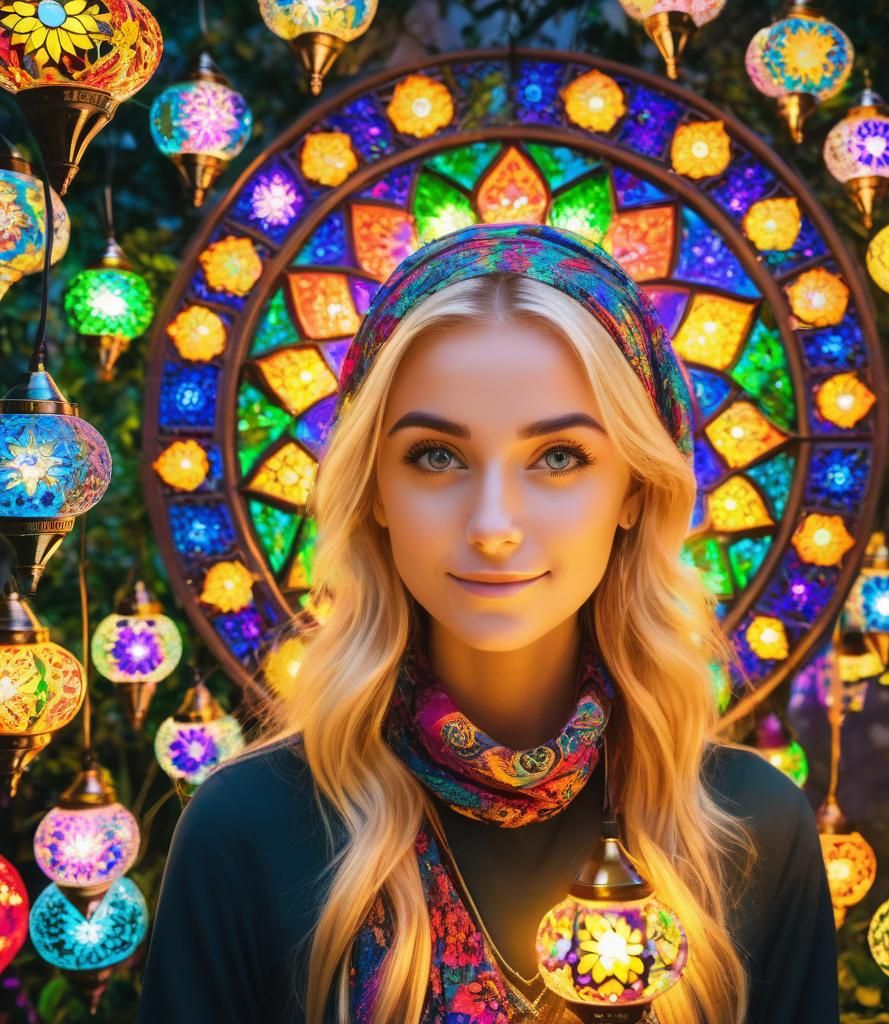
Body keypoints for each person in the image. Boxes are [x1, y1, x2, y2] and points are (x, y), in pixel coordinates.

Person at [138, 224, 838, 1024]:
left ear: (636, 489)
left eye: (560, 457)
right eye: (436, 456)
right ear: (373, 488)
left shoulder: (754, 831)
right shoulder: (247, 831)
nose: (494, 524)